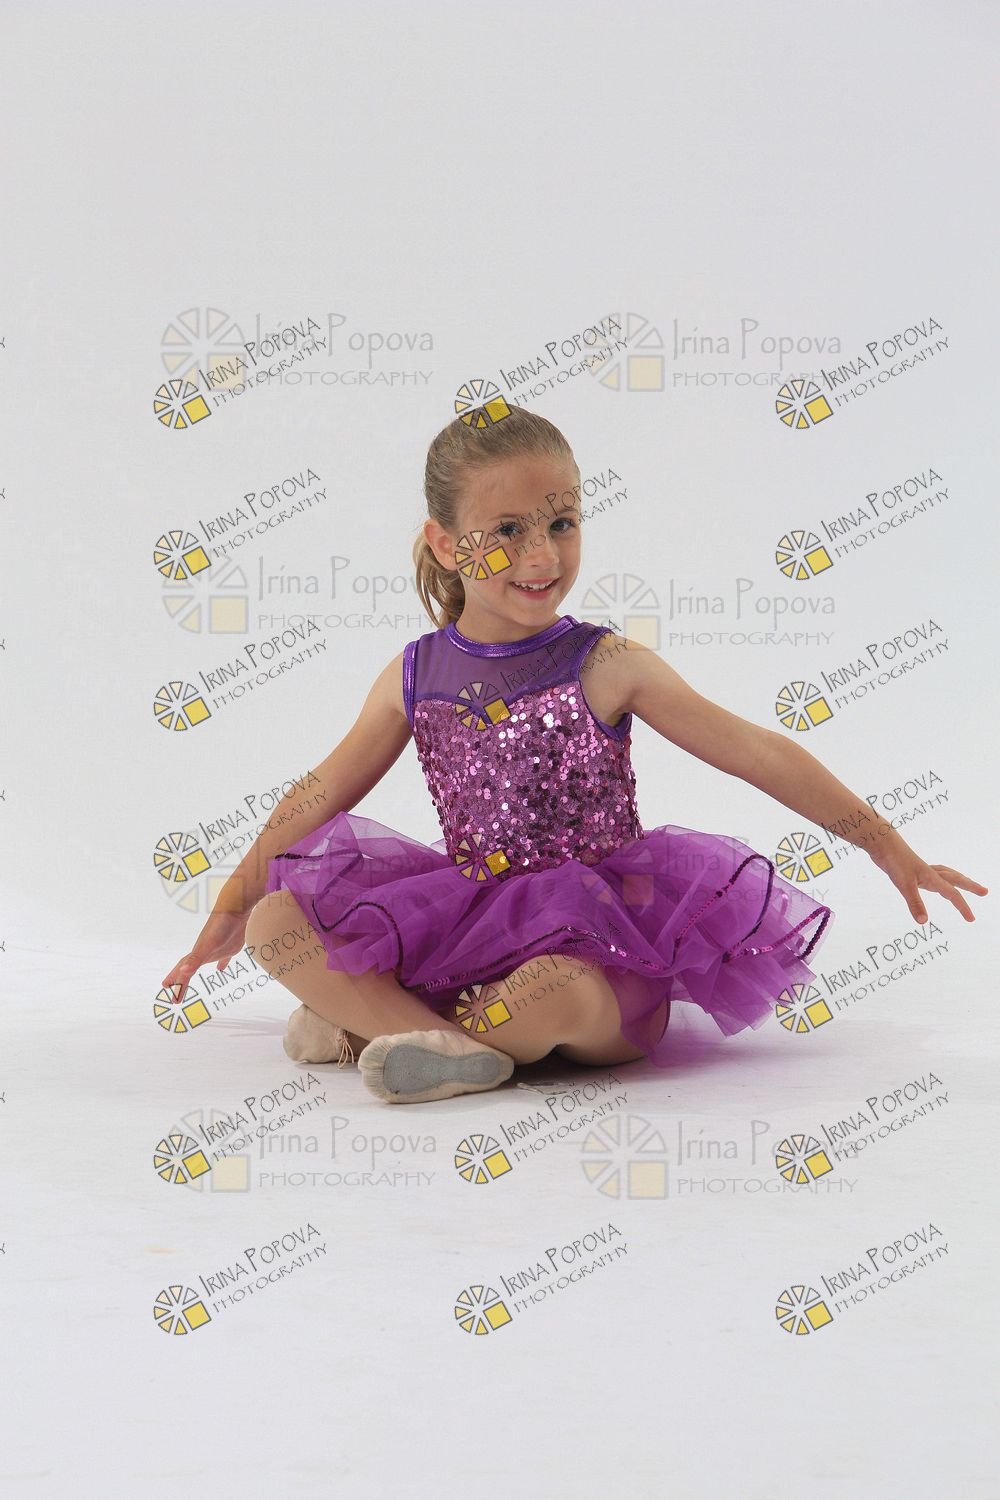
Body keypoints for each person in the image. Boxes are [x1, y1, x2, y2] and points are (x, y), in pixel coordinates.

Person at [162, 407, 988, 1105]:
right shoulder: (414, 675)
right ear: (446, 544)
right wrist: (230, 909)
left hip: (601, 943)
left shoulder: (604, 662)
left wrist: (886, 843)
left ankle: (383, 1026)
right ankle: (442, 1044)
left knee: (552, 991)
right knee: (277, 923)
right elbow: (317, 795)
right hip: (467, 922)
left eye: (561, 524)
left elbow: (753, 750)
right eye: (509, 531)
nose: (543, 557)